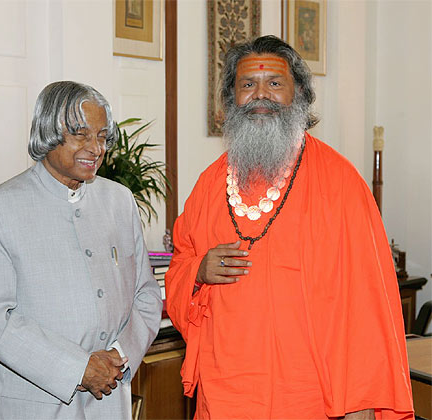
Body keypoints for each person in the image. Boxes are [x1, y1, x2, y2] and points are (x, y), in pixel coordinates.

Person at [165, 36, 414, 419]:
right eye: (247, 84)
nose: (260, 95)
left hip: (312, 397)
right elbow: (179, 265)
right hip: (226, 392)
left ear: (299, 93)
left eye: (274, 84)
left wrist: (362, 401)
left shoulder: (341, 183)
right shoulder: (209, 185)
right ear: (231, 99)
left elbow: (368, 303)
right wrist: (197, 270)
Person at [0, 81, 162, 419]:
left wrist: (119, 356)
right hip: (34, 405)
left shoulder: (119, 200)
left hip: (110, 399)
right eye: (81, 134)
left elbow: (145, 294)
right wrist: (78, 368)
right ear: (47, 132)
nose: (96, 148)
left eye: (102, 136)